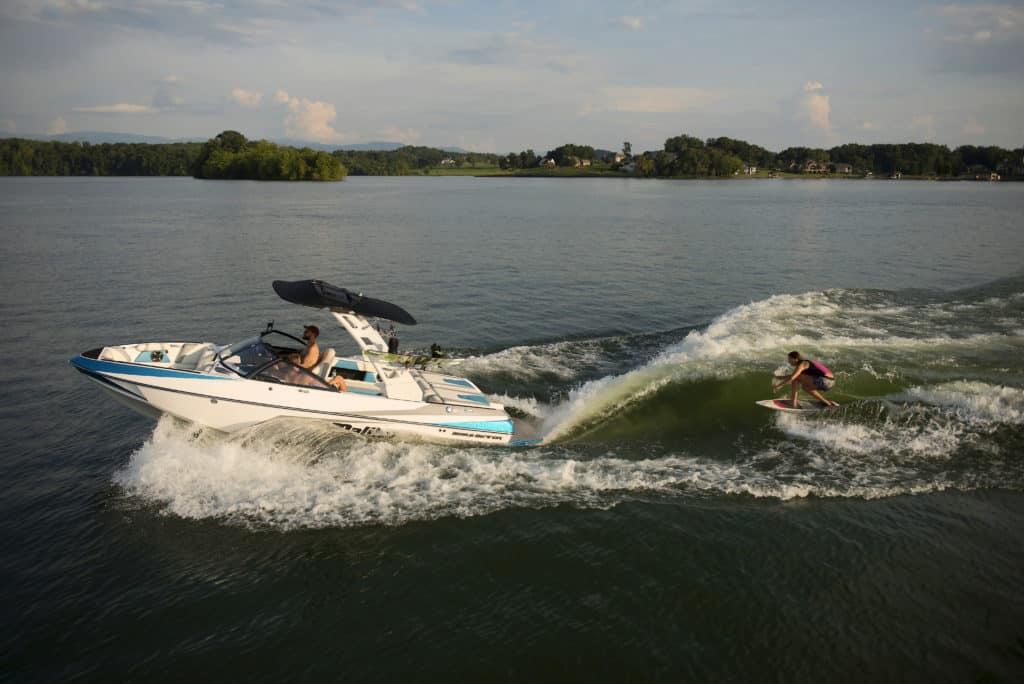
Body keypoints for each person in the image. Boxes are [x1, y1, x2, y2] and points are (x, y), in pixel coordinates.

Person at [773, 351, 837, 407]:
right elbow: (792, 376)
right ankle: (826, 402)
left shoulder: (803, 364)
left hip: (825, 380)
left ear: (796, 359)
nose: (788, 361)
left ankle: (793, 403)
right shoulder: (804, 365)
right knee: (805, 387)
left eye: (790, 359)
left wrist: (779, 386)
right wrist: (778, 377)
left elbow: (793, 377)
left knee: (796, 378)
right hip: (830, 382)